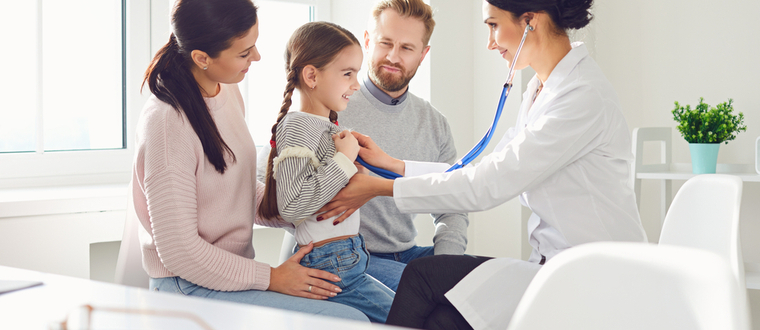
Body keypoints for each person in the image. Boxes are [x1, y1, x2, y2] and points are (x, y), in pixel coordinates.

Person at [319, 0, 648, 328]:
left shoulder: (581, 96)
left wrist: (384, 187)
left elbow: (488, 184)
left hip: (598, 274)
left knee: (425, 278)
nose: (490, 42)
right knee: (443, 313)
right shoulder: (541, 89)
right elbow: (482, 170)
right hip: (554, 266)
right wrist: (395, 165)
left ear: (529, 21)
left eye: (493, 25)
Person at [132, 0, 368, 322]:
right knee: (352, 320)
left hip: (228, 279)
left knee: (366, 308)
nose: (256, 57)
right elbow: (180, 253)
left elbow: (236, 188)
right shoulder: (167, 125)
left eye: (254, 45)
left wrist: (306, 206)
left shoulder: (225, 92)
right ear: (202, 58)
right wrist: (271, 277)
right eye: (244, 53)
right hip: (188, 286)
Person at [256, 0, 469, 292]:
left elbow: (452, 204)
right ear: (368, 41)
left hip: (407, 253)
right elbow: (273, 188)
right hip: (343, 255)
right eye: (385, 43)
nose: (393, 57)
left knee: (478, 279)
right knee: (425, 295)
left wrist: (446, 265)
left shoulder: (435, 124)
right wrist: (319, 211)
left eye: (407, 48)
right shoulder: (328, 103)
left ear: (423, 55)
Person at [257, 21, 395, 323]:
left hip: (348, 255)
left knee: (408, 311)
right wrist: (344, 162)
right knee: (408, 316)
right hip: (332, 261)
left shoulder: (325, 127)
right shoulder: (296, 125)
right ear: (311, 75)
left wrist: (353, 168)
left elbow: (323, 191)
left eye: (356, 74)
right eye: (348, 74)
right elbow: (293, 205)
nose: (356, 84)